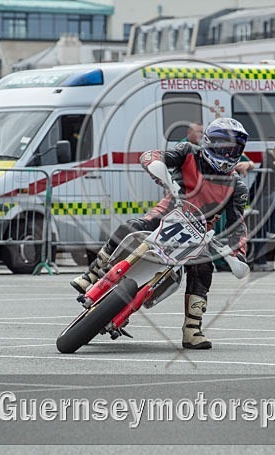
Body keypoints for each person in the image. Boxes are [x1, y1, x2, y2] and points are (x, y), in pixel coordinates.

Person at [71, 117, 249, 350]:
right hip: (168, 213)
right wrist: (156, 165)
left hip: (199, 234)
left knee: (204, 268)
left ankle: (192, 329)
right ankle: (93, 274)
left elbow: (238, 224)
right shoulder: (187, 152)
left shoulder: (237, 186)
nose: (227, 154)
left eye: (234, 149)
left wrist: (239, 254)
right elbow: (152, 156)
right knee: (132, 226)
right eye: (224, 147)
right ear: (209, 142)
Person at [250, 142, 275, 272]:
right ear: (274, 151)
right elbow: (271, 166)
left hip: (269, 202)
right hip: (259, 198)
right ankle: (259, 261)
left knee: (263, 229)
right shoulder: (268, 160)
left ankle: (265, 261)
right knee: (261, 229)